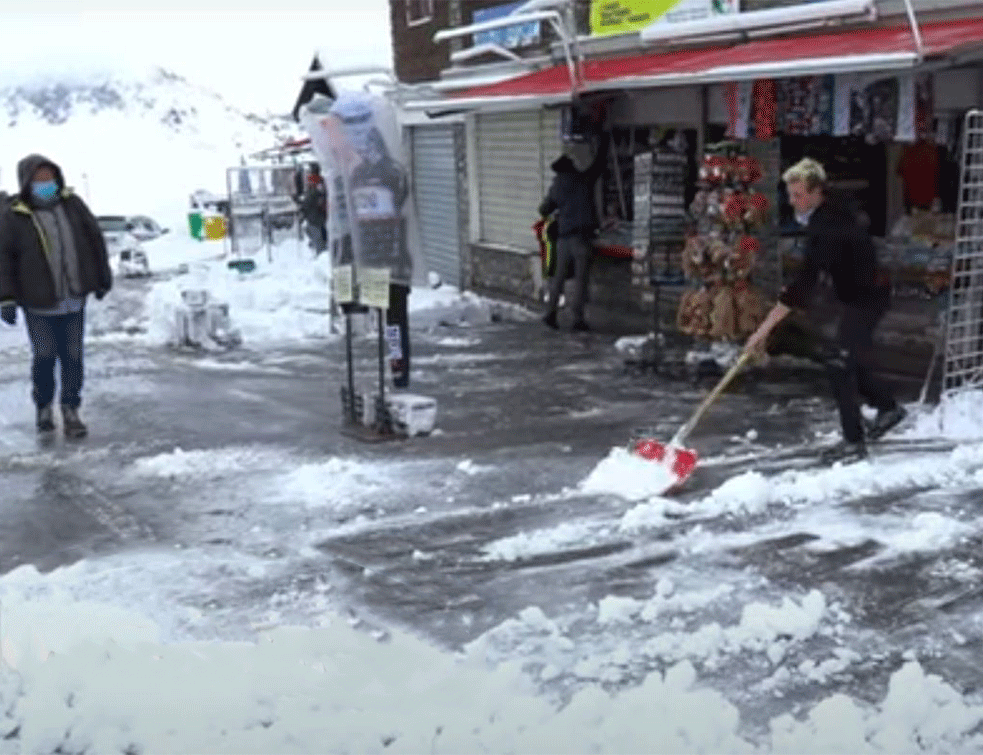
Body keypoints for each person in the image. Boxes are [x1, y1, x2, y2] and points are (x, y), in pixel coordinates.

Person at [743, 157, 906, 463]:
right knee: (845, 358)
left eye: (799, 195)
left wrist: (763, 330)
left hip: (867, 298)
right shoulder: (832, 212)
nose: (793, 203)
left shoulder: (828, 225)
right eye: (790, 196)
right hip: (858, 294)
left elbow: (807, 280)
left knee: (839, 363)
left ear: (817, 191)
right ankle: (887, 408)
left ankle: (853, 442)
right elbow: (821, 272)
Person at [0, 154, 112, 438]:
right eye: (39, 180)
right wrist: (6, 297)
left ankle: (71, 409)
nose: (45, 184)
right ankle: (44, 406)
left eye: (49, 179)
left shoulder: (72, 205)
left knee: (73, 357)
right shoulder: (15, 215)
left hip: (73, 298)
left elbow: (94, 239)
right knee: (45, 356)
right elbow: (3, 259)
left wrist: (101, 277)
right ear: (26, 183)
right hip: (38, 302)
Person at [539, 129, 609, 332]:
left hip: (563, 240)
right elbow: (598, 164)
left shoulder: (556, 187)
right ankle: (577, 319)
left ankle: (550, 314)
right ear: (572, 167)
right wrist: (604, 141)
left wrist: (558, 211)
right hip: (582, 239)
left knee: (558, 279)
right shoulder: (583, 180)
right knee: (581, 280)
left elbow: (543, 209)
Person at [301, 163, 328, 254]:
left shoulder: (315, 183)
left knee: (319, 241)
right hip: (318, 217)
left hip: (315, 218)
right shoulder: (321, 182)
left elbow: (309, 200)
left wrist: (302, 207)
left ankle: (321, 257)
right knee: (319, 237)